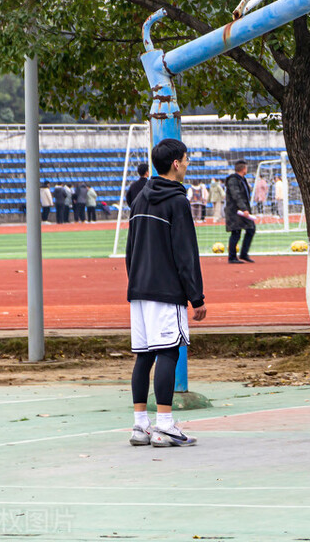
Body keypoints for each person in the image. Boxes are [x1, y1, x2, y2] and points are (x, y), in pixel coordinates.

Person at [124, 138, 206, 448]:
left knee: (143, 355)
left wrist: (136, 283)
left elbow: (130, 250)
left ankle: (140, 424)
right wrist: (196, 297)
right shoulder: (177, 201)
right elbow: (185, 253)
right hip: (165, 290)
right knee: (169, 352)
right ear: (175, 163)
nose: (187, 163)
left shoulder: (140, 198)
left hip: (139, 290)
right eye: (186, 159)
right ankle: (165, 425)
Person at [224, 160, 256, 264]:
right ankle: (232, 257)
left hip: (242, 210)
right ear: (243, 169)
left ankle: (243, 254)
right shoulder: (233, 180)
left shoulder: (242, 179)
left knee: (251, 229)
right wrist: (244, 209)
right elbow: (236, 195)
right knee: (236, 232)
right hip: (235, 211)